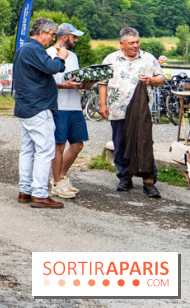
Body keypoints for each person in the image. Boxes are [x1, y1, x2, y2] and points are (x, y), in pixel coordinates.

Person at [99, 27, 165, 198]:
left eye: (137, 42)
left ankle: (148, 181)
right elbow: (103, 83)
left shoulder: (148, 58)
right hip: (117, 109)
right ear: (121, 43)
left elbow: (161, 78)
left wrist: (151, 80)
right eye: (131, 43)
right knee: (120, 144)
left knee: (144, 144)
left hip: (142, 112)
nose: (136, 46)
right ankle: (125, 178)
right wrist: (102, 105)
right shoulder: (111, 59)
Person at [13, 18, 68, 209]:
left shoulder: (24, 49)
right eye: (52, 34)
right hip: (38, 107)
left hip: (26, 106)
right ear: (42, 33)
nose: (53, 39)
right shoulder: (34, 49)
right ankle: (39, 194)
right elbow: (52, 67)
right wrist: (62, 57)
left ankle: (25, 190)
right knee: (45, 150)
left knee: (28, 150)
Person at [45, 23, 90, 199]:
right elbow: (47, 82)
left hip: (75, 105)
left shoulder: (73, 56)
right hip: (58, 105)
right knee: (59, 144)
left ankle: (61, 177)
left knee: (78, 143)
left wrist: (86, 84)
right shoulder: (48, 53)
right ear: (64, 37)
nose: (76, 40)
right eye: (74, 37)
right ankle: (56, 182)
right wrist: (65, 85)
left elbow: (73, 77)